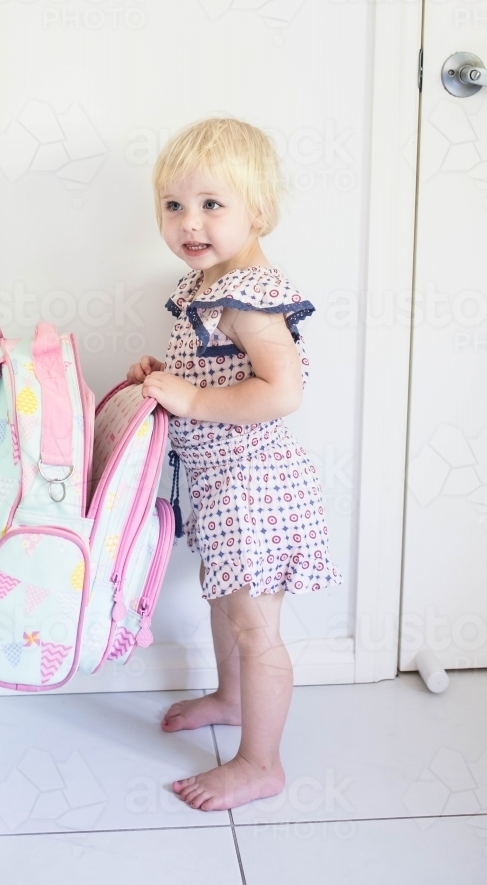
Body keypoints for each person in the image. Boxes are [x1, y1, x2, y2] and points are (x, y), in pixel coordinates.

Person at [126, 117, 342, 812]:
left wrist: (187, 395)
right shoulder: (205, 284)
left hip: (254, 485)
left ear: (259, 211)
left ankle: (260, 763)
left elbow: (280, 390)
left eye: (211, 204)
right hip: (221, 482)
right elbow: (221, 373)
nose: (190, 221)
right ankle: (228, 697)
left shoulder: (246, 294)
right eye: (173, 205)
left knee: (255, 627)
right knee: (226, 603)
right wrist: (171, 374)